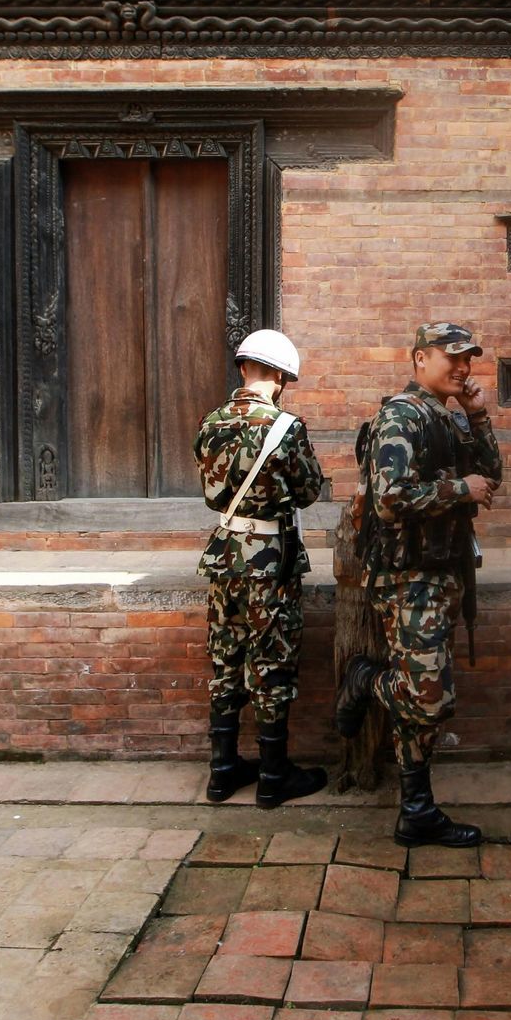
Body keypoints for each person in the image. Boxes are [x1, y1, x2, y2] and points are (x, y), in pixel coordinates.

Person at [336, 321, 502, 847]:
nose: (462, 367)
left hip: (440, 574)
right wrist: (461, 488)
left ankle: (417, 811)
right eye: (450, 357)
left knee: (422, 705)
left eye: (467, 359)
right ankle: (364, 679)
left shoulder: (449, 421)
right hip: (407, 578)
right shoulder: (400, 416)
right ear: (418, 359)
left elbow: (492, 475)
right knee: (428, 698)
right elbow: (390, 497)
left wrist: (478, 416)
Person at [193, 328, 328, 807]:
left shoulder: (210, 422)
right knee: (271, 661)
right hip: (268, 561)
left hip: (223, 556)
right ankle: (273, 777)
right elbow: (310, 490)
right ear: (277, 375)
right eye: (285, 378)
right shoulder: (284, 427)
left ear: (243, 368)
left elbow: (212, 491)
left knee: (226, 659)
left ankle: (222, 772)